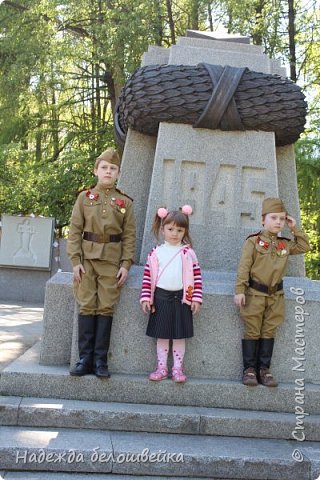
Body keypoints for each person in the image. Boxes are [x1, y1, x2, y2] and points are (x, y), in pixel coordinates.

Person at [67, 147, 136, 378]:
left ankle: (100, 361)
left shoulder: (125, 202)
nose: (108, 171)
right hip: (86, 260)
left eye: (113, 168)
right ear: (96, 170)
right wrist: (75, 261)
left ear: (118, 173)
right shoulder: (84, 198)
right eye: (104, 167)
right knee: (87, 305)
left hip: (111, 262)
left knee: (106, 307)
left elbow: (129, 235)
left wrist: (126, 264)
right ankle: (84, 358)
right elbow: (75, 231)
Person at [234, 197, 310, 387]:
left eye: (282, 219)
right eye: (274, 217)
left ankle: (264, 370)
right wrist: (239, 290)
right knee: (252, 330)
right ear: (263, 220)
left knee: (269, 330)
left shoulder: (284, 244)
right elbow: (244, 267)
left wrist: (294, 228)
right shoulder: (253, 242)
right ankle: (249, 370)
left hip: (276, 296)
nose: (278, 222)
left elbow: (305, 246)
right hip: (255, 294)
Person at [140, 205, 202, 383]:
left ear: (185, 231)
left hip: (182, 298)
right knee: (162, 334)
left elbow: (197, 277)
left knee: (179, 335)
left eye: (179, 230)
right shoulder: (156, 252)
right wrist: (146, 297)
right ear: (162, 229)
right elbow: (147, 276)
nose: (174, 233)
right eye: (170, 229)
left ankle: (177, 368)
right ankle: (161, 367)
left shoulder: (188, 253)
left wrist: (196, 298)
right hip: (160, 297)